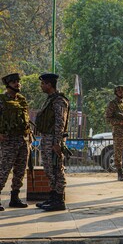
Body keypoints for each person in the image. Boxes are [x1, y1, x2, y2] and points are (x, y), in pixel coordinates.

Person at [35, 73, 70, 211]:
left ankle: (59, 200)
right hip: (47, 138)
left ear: (49, 85)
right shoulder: (50, 100)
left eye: (43, 84)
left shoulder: (59, 101)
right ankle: (53, 196)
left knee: (57, 169)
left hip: (54, 140)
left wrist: (57, 143)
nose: (41, 86)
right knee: (50, 169)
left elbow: (60, 123)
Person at [0, 73, 31, 211]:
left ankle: (15, 197)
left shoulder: (22, 100)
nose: (17, 84)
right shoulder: (1, 100)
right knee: (3, 170)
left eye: (18, 82)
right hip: (7, 140)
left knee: (20, 170)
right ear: (8, 85)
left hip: (22, 140)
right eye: (14, 82)